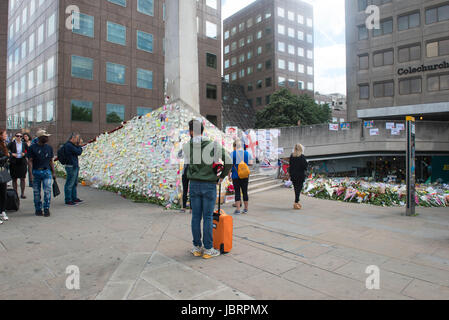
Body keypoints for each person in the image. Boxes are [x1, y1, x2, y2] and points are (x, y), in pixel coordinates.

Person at [184, 119, 232, 259]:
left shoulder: (188, 146)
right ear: (203, 130)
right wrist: (222, 177)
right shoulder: (212, 145)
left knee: (195, 217)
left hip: (194, 184)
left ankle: (197, 247)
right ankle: (208, 249)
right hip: (209, 185)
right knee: (208, 217)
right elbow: (228, 160)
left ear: (191, 131)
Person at [27, 130, 56, 217]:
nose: (47, 138)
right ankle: (38, 209)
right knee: (36, 192)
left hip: (47, 172)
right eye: (45, 136)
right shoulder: (32, 148)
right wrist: (31, 174)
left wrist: (53, 172)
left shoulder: (49, 148)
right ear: (40, 138)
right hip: (36, 171)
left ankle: (46, 208)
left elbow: (51, 161)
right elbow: (30, 161)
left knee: (47, 191)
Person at [229, 140, 252, 215]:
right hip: (245, 175)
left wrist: (229, 174)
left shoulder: (232, 154)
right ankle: (246, 209)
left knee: (237, 192)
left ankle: (238, 209)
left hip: (236, 175)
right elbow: (250, 163)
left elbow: (230, 165)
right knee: (245, 191)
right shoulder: (247, 153)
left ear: (235, 146)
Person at [63, 133, 84, 206]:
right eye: (77, 138)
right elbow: (78, 152)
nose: (78, 140)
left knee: (74, 183)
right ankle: (68, 199)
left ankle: (74, 198)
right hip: (71, 166)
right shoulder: (69, 145)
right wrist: (80, 146)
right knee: (70, 183)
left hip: (73, 165)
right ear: (73, 138)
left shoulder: (71, 145)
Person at [8, 132, 29, 199]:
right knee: (14, 179)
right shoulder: (11, 143)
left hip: (22, 162)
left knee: (22, 178)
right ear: (15, 136)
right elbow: (6, 150)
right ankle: (15, 193)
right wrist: (12, 154)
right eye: (17, 136)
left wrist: (24, 154)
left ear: (22, 137)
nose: (19, 137)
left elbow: (28, 151)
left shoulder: (24, 144)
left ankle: (22, 193)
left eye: (20, 136)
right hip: (14, 162)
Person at [288, 144, 308, 210]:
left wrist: (290, 173)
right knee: (299, 187)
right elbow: (305, 167)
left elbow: (290, 165)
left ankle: (297, 200)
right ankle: (296, 200)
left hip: (293, 175)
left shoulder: (292, 156)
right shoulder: (302, 157)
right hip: (300, 175)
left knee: (296, 187)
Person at [0, 129, 10, 224]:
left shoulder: (4, 144)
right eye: (5, 134)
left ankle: (2, 211)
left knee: (3, 192)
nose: (6, 135)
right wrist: (6, 157)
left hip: (3, 170)